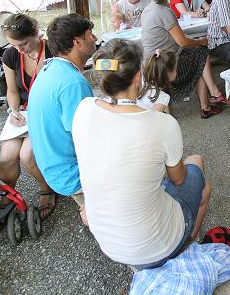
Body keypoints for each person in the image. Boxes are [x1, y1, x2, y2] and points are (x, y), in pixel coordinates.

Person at [73, 39, 211, 269]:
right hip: (156, 246)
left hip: (109, 243)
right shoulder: (162, 123)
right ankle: (184, 244)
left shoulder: (83, 109)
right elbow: (178, 179)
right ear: (138, 77)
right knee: (197, 165)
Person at [26, 14, 96, 226]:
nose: (94, 38)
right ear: (77, 42)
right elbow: (88, 139)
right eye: (89, 35)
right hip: (71, 174)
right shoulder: (73, 83)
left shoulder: (49, 69)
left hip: (52, 167)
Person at [0, 14, 56, 230]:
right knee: (6, 157)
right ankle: (9, 196)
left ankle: (47, 188)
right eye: (14, 45)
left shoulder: (53, 50)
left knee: (27, 155)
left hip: (46, 111)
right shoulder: (11, 55)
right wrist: (13, 110)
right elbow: (11, 90)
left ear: (36, 33)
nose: (20, 50)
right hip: (24, 114)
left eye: (23, 44)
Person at [141, 0, 230, 119]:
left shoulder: (147, 9)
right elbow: (182, 42)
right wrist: (202, 41)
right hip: (164, 64)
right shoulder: (165, 12)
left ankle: (209, 102)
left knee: (198, 58)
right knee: (201, 54)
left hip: (150, 63)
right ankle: (211, 98)